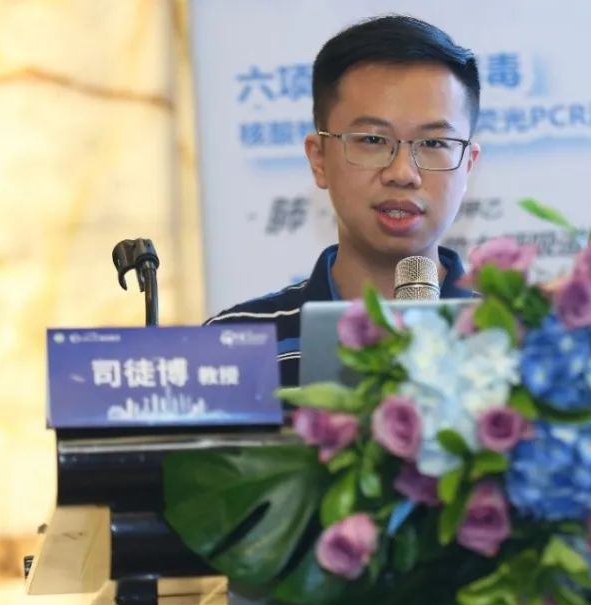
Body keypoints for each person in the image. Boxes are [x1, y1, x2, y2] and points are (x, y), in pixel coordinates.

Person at [206, 15, 481, 388]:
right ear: (319, 159)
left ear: (468, 165)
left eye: (433, 143)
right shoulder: (233, 350)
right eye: (372, 140)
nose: (402, 172)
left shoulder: (527, 344)